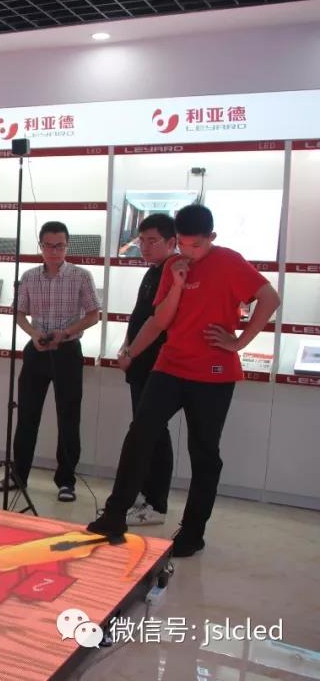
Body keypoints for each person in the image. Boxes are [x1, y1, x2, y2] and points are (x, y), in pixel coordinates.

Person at [88, 204, 280, 557]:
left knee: (204, 452)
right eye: (183, 244)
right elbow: (160, 320)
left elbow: (270, 298)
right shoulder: (172, 266)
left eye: (197, 245)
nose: (189, 252)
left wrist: (239, 342)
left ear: (211, 237)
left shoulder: (229, 261)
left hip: (213, 374)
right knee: (141, 433)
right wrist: (131, 350)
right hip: (170, 366)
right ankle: (115, 515)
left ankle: (192, 532)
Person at [3, 221, 100, 502]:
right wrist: (34, 334)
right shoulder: (29, 276)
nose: (54, 251)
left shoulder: (81, 276)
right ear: (41, 246)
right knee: (27, 415)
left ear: (67, 246)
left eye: (60, 246)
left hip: (67, 351)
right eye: (49, 246)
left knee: (68, 417)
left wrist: (66, 333)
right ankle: (19, 475)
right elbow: (19, 313)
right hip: (37, 350)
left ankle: (66, 481)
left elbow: (93, 314)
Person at [118, 213, 177, 526]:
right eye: (142, 240)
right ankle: (143, 494)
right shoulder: (153, 271)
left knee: (154, 432)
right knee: (144, 431)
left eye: (152, 241)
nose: (145, 247)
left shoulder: (173, 271)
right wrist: (126, 346)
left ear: (171, 241)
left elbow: (158, 323)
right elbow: (139, 316)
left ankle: (156, 503)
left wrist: (131, 351)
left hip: (158, 364)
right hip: (140, 363)